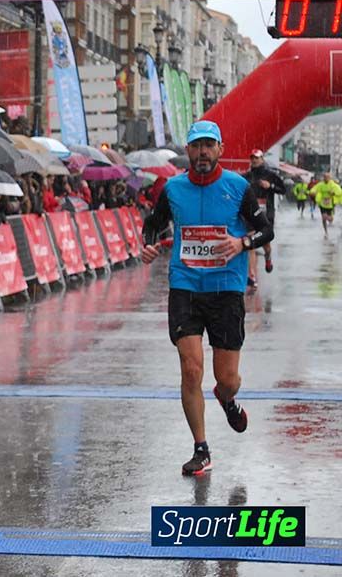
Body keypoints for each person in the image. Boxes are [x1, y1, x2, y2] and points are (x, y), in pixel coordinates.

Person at [140, 121, 273, 476]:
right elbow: (153, 223)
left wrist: (241, 243)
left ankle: (227, 398)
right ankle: (201, 449)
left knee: (226, 377)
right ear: (188, 151)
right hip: (185, 286)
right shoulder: (173, 188)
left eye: (208, 146)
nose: (201, 153)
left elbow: (265, 230)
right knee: (190, 368)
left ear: (220, 149)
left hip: (226, 289)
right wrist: (148, 244)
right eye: (196, 146)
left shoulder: (237, 186)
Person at [243, 149, 285, 277]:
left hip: (266, 214)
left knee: (265, 245)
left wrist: (270, 186)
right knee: (251, 244)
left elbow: (283, 190)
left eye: (257, 158)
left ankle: (268, 257)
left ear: (262, 159)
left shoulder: (270, 175)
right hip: (250, 214)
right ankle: (252, 275)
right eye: (252, 158)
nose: (254, 160)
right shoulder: (247, 176)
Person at [308, 172, 342, 237]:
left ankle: (329, 218)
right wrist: (312, 192)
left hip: (330, 203)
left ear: (329, 178)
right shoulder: (320, 184)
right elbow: (314, 189)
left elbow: (339, 191)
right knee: (323, 218)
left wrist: (333, 193)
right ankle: (326, 232)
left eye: (327, 177)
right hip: (322, 203)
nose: (326, 178)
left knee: (330, 219)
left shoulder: (332, 184)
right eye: (324, 177)